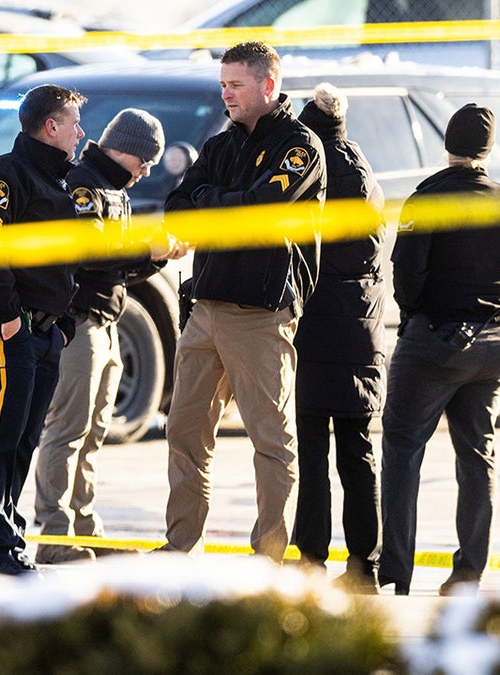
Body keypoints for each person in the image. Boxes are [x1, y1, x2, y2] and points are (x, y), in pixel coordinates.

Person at [159, 40, 326, 562]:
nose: (226, 94)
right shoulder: (220, 145)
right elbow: (174, 207)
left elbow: (261, 211)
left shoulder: (301, 147)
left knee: (271, 440)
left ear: (268, 86)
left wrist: (207, 202)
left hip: (261, 311)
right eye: (223, 85)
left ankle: (268, 556)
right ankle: (181, 545)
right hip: (206, 305)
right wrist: (215, 204)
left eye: (235, 85)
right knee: (184, 432)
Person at [379, 103, 500, 596]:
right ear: (487, 151)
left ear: (447, 145)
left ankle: (397, 573)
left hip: (433, 340)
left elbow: (407, 274)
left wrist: (416, 316)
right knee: (477, 455)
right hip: (496, 341)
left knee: (402, 449)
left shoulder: (427, 200)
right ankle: (469, 572)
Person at [33, 108, 185, 564]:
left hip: (105, 320)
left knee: (95, 431)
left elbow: (117, 265)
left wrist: (155, 257)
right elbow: (91, 251)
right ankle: (54, 537)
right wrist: (145, 247)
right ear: (125, 150)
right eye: (145, 162)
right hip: (77, 322)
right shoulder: (84, 185)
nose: (146, 173)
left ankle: (85, 529)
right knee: (68, 430)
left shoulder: (113, 189)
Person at [0, 84, 88, 580]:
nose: (81, 133)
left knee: (23, 443)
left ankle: (9, 543)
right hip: (9, 331)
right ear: (51, 126)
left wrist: (64, 325)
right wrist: (11, 319)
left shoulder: (59, 181)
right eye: (74, 123)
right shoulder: (2, 177)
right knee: (2, 440)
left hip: (46, 334)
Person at [289, 83, 386, 593]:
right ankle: (364, 565)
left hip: (314, 325)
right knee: (358, 451)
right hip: (360, 330)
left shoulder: (311, 169)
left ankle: (310, 558)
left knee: (311, 452)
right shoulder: (364, 171)